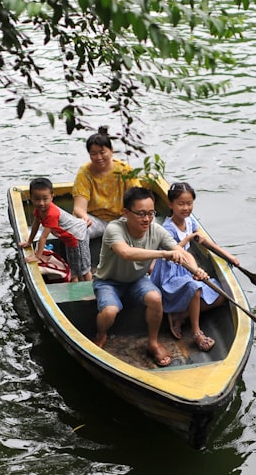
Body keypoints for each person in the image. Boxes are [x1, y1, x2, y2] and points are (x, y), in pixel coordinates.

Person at [93, 186, 204, 368]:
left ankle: (153, 343)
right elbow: (127, 253)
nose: (147, 219)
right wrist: (162, 254)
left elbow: (178, 250)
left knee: (155, 298)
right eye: (141, 214)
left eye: (151, 213)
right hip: (108, 281)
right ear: (126, 213)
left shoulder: (157, 230)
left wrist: (195, 269)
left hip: (137, 279)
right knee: (110, 311)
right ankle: (101, 334)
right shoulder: (115, 229)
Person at [150, 182, 239, 352]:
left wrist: (228, 256)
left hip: (187, 268)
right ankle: (196, 332)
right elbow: (177, 252)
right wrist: (190, 239)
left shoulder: (190, 221)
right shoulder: (167, 228)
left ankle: (180, 315)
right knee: (195, 288)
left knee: (222, 295)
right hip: (170, 272)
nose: (186, 208)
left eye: (189, 203)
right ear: (170, 204)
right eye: (181, 204)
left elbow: (205, 241)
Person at [72, 126, 140, 240]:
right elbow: (78, 207)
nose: (99, 157)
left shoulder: (124, 170)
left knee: (146, 224)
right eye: (93, 154)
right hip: (95, 220)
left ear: (111, 151)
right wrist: (84, 218)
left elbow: (137, 199)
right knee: (75, 231)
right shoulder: (85, 172)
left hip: (121, 218)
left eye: (102, 152)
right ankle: (81, 258)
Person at [21, 177, 92, 282]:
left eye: (45, 199)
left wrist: (38, 257)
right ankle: (76, 280)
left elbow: (43, 237)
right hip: (69, 238)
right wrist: (29, 242)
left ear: (52, 197)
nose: (41, 203)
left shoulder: (51, 214)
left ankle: (89, 287)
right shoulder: (39, 210)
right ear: (31, 198)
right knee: (74, 265)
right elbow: (35, 225)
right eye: (37, 199)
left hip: (78, 236)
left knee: (84, 268)